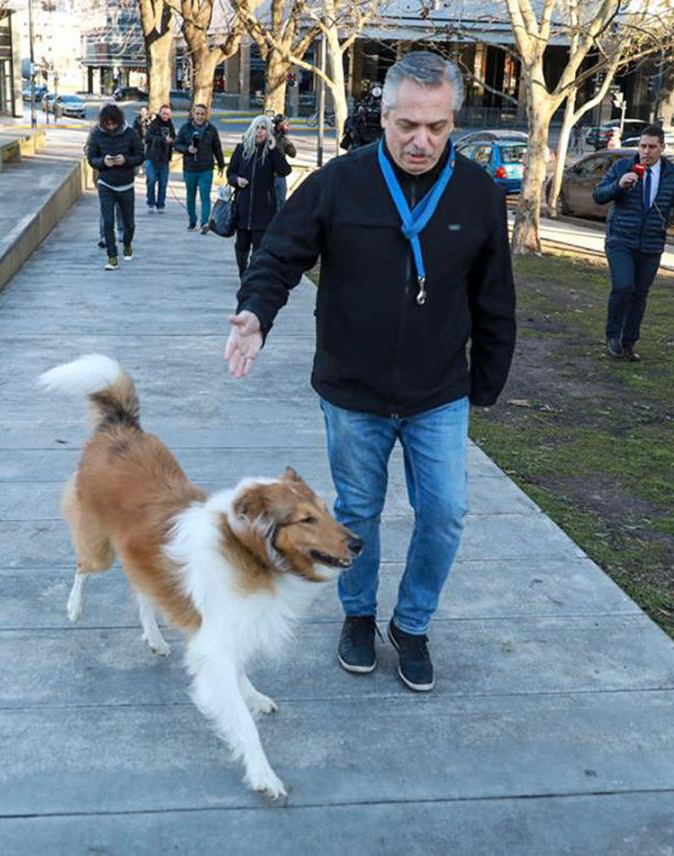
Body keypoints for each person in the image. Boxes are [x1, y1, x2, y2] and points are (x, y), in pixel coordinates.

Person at [224, 51, 516, 693]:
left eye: (437, 127)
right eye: (407, 124)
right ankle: (358, 616)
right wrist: (255, 313)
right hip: (353, 392)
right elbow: (279, 254)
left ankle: (411, 625)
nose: (421, 141)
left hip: (438, 391)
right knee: (359, 510)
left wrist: (486, 381)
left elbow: (495, 295)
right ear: (382, 115)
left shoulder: (477, 194)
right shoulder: (339, 183)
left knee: (444, 512)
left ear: (453, 120)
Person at [592, 125, 674, 361]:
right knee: (623, 287)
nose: (646, 152)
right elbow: (599, 196)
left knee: (640, 294)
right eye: (642, 146)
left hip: (651, 243)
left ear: (661, 147)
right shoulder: (623, 167)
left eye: (651, 147)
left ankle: (629, 342)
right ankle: (613, 337)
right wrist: (619, 185)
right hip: (620, 240)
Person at [226, 115, 292, 276]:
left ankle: (252, 275)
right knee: (241, 245)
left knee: (259, 247)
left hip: (264, 208)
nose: (260, 131)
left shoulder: (271, 152)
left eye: (263, 128)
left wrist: (274, 149)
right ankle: (243, 271)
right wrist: (237, 180)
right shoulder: (242, 149)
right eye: (257, 127)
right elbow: (230, 173)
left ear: (269, 131)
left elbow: (284, 171)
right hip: (243, 206)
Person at [86, 103, 145, 270]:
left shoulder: (130, 133)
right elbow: (91, 158)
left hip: (126, 184)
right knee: (108, 222)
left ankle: (127, 243)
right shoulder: (97, 134)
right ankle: (112, 256)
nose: (111, 127)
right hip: (106, 183)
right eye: (107, 124)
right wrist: (102, 162)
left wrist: (125, 160)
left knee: (129, 223)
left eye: (114, 124)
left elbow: (140, 155)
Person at [173, 104, 225, 233]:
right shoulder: (185, 128)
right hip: (190, 168)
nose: (200, 116)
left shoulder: (211, 129)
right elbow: (176, 144)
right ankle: (192, 221)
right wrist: (187, 149)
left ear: (206, 115)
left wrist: (221, 164)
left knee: (205, 196)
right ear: (193, 114)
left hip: (206, 167)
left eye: (202, 114)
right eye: (197, 114)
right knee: (191, 196)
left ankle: (204, 223)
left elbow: (217, 148)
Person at [143, 103, 176, 213]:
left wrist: (173, 141)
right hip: (152, 157)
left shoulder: (170, 125)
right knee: (151, 180)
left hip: (164, 158)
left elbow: (174, 139)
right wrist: (162, 140)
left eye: (167, 114)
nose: (165, 115)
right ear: (160, 113)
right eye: (163, 113)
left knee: (163, 183)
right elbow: (148, 138)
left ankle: (160, 204)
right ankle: (150, 202)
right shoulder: (154, 124)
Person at [271, 113, 297, 208]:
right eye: (286, 124)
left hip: (280, 175)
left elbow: (293, 153)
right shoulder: (269, 137)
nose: (288, 127)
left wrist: (289, 144)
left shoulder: (284, 140)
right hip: (270, 175)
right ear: (279, 125)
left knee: (281, 201)